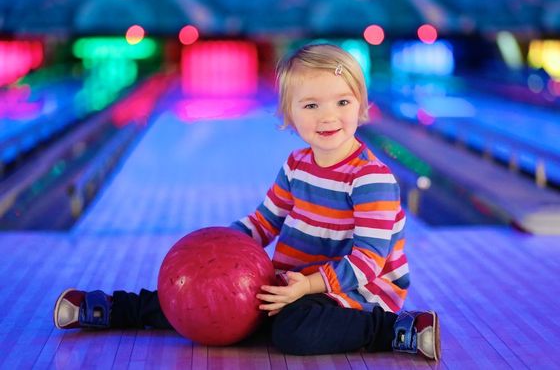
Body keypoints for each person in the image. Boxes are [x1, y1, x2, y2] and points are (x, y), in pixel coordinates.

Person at [54, 44, 440, 360]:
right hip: (292, 284)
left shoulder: (370, 178)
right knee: (201, 295)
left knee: (293, 332)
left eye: (342, 102)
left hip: (355, 293)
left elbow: (368, 262)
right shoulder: (296, 164)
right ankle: (111, 309)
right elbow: (263, 222)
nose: (328, 117)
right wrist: (214, 254)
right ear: (289, 114)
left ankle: (396, 329)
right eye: (311, 105)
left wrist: (305, 286)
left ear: (362, 105)